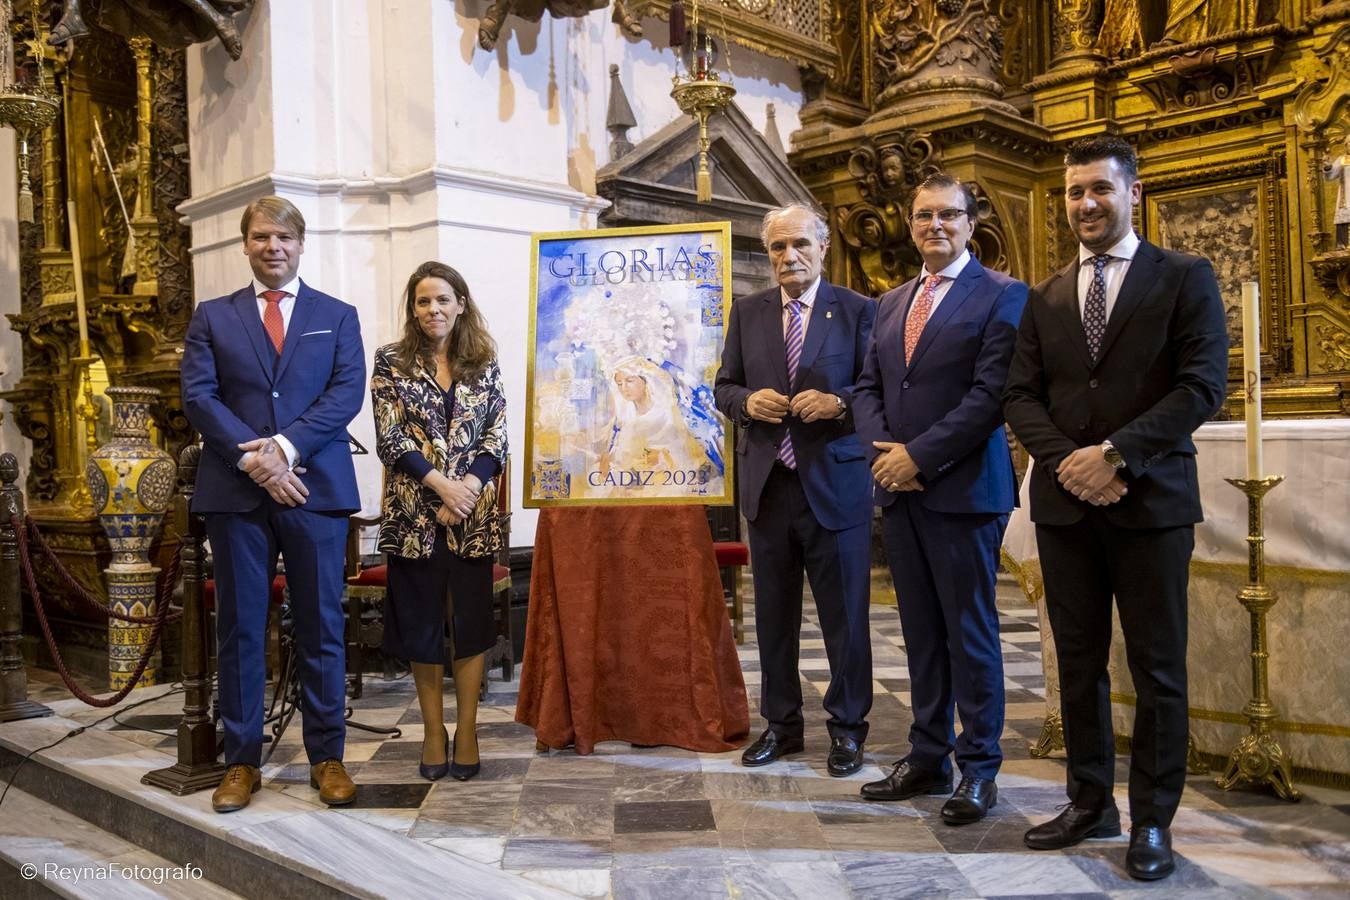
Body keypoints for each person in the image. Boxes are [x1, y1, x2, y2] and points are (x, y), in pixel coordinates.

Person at [1003, 136, 1229, 880]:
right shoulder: (1046, 295)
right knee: (1077, 663)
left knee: (1157, 668)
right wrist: (1070, 462)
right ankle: (1089, 800)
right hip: (1067, 506)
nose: (1086, 204)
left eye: (1099, 188)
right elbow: (1019, 395)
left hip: (1151, 501)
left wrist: (1116, 455)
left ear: (1132, 190)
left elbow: (1200, 387)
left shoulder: (1184, 276)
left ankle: (1153, 821)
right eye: (1074, 193)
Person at [852, 173, 1027, 824]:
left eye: (948, 215)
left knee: (969, 635)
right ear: (911, 221)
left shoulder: (1003, 296)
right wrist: (885, 455)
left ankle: (978, 767)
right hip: (900, 490)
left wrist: (917, 456)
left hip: (963, 489)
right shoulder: (890, 302)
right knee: (920, 633)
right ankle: (925, 756)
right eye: (924, 215)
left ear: (970, 223)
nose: (934, 225)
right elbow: (866, 387)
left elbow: (991, 396)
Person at [182, 196, 365, 812]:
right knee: (240, 626)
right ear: (246, 244)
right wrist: (254, 461)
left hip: (313, 488)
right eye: (261, 237)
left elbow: (345, 394)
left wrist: (283, 449)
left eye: (283, 237)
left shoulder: (336, 316)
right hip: (236, 492)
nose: (273, 247)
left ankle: (328, 757)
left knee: (321, 623)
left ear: (300, 243)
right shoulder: (213, 316)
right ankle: (240, 762)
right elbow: (199, 397)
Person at [713, 202, 877, 777]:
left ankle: (848, 729)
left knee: (845, 620)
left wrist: (841, 404)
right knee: (773, 619)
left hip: (835, 485)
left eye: (800, 244)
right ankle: (781, 726)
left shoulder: (858, 310)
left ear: (823, 247)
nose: (789, 256)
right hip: (769, 486)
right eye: (778, 247)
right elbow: (724, 385)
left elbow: (876, 390)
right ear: (768, 254)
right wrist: (745, 404)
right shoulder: (748, 312)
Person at [371, 261, 508, 782]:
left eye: (443, 300)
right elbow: (391, 439)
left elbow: (497, 434)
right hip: (415, 515)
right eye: (423, 301)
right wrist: (442, 487)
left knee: (471, 625)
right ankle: (433, 731)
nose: (434, 310)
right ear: (413, 308)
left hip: (472, 517)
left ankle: (468, 729)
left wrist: (468, 488)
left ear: (461, 304)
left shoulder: (484, 360)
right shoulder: (390, 361)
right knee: (423, 626)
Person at [600, 356, 707, 478]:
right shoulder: (624, 418)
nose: (623, 388)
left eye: (629, 381)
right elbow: (620, 457)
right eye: (619, 384)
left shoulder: (667, 413)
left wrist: (662, 456)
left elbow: (687, 454)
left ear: (645, 380)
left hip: (668, 479)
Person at [1324, 134, 1350, 250]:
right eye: (1348, 143)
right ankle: (1343, 245)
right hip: (1346, 197)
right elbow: (1330, 176)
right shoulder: (1343, 159)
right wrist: (1328, 166)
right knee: (1344, 218)